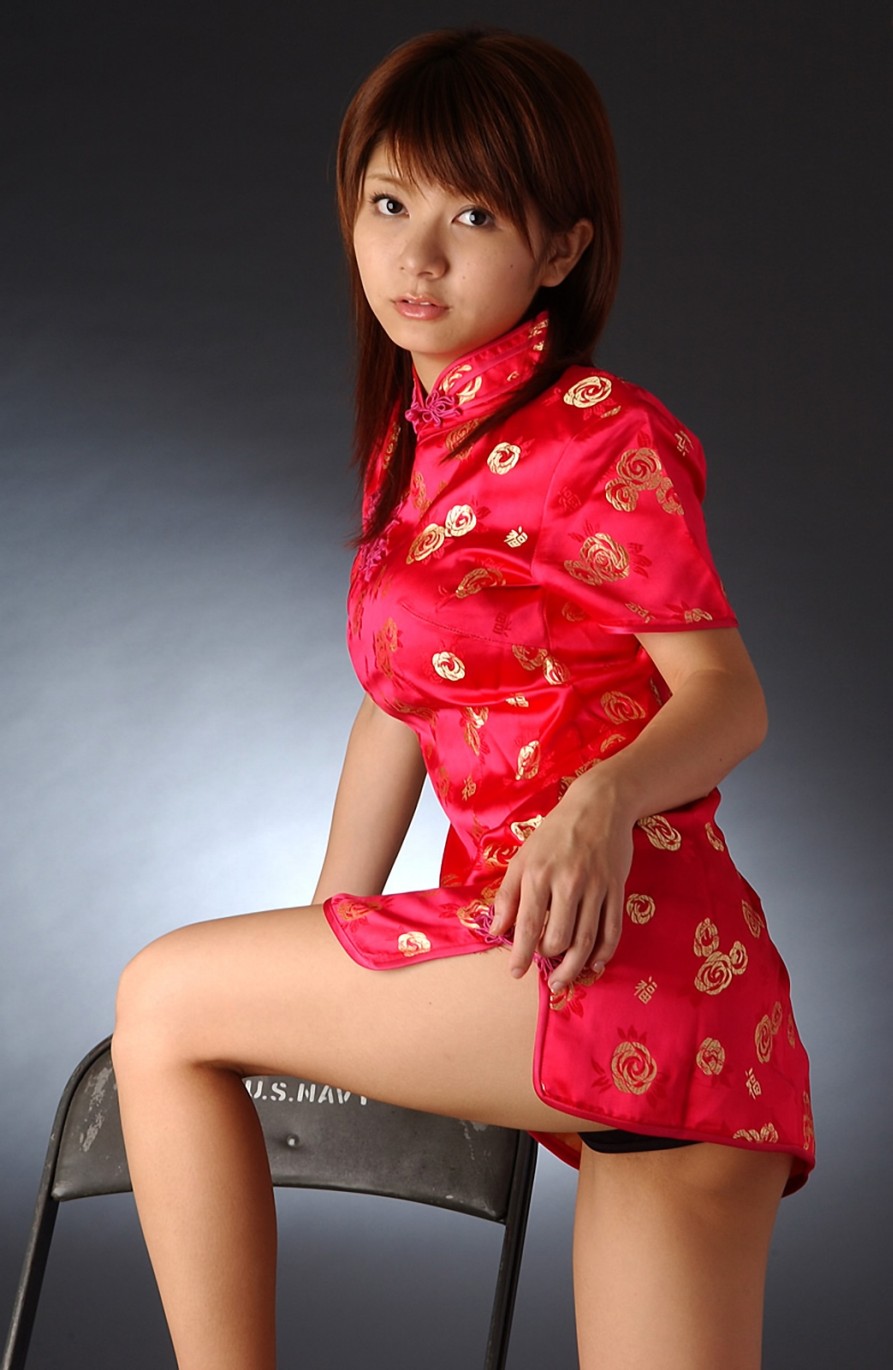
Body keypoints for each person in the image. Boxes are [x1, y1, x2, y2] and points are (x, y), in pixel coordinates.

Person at [111, 27, 813, 1370]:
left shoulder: (604, 435)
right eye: (389, 205)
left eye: (472, 216)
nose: (416, 257)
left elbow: (729, 697)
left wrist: (601, 799)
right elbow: (398, 702)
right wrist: (324, 933)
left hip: (632, 957)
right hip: (602, 990)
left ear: (560, 250)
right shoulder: (422, 443)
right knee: (182, 1003)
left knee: (162, 998)